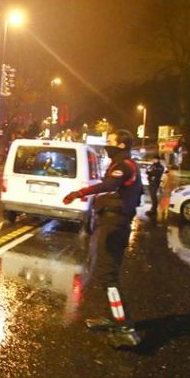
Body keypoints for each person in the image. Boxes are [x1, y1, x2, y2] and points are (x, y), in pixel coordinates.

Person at [63, 129, 143, 348]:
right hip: (112, 223)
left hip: (114, 225)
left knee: (108, 276)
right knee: (106, 273)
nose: (107, 145)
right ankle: (113, 318)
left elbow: (109, 186)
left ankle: (125, 327)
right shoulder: (124, 165)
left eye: (111, 142)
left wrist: (78, 193)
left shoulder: (124, 165)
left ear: (121, 146)